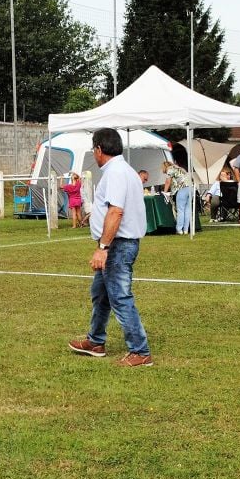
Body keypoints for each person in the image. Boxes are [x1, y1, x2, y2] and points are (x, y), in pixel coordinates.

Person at [68, 128, 152, 367]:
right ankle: (95, 341)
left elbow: (116, 211)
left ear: (98, 149)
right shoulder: (125, 171)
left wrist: (103, 247)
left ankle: (140, 351)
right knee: (101, 294)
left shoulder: (116, 173)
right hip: (119, 243)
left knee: (120, 297)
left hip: (118, 245)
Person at [161, 158, 193, 234]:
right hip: (191, 188)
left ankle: (179, 229)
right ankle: (185, 230)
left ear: (165, 167)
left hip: (182, 189)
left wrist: (165, 192)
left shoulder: (170, 169)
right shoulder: (179, 168)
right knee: (187, 210)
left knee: (180, 210)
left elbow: (168, 182)